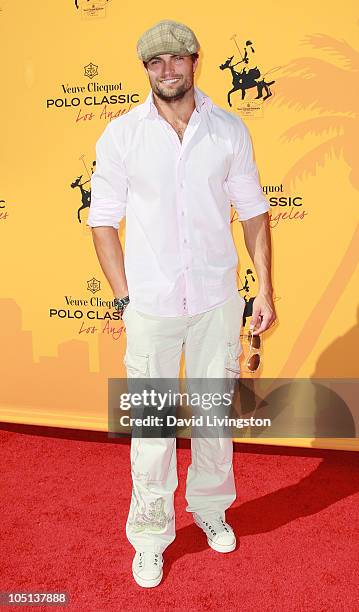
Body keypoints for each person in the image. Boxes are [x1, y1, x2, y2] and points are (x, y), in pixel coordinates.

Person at [87, 19, 276, 588]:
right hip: (151, 307)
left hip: (218, 301)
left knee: (215, 420)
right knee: (152, 428)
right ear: (144, 69)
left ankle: (211, 508)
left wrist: (264, 287)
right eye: (155, 63)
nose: (167, 71)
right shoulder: (121, 136)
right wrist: (126, 299)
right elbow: (101, 222)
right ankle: (149, 537)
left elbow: (254, 211)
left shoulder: (228, 130)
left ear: (195, 60)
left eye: (176, 59)